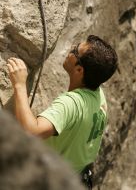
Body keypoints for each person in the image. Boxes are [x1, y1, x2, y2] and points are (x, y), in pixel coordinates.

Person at [7, 35, 118, 181]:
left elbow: (32, 131)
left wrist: (20, 85)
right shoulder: (99, 95)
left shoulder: (70, 104)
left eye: (75, 51)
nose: (71, 49)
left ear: (79, 70)